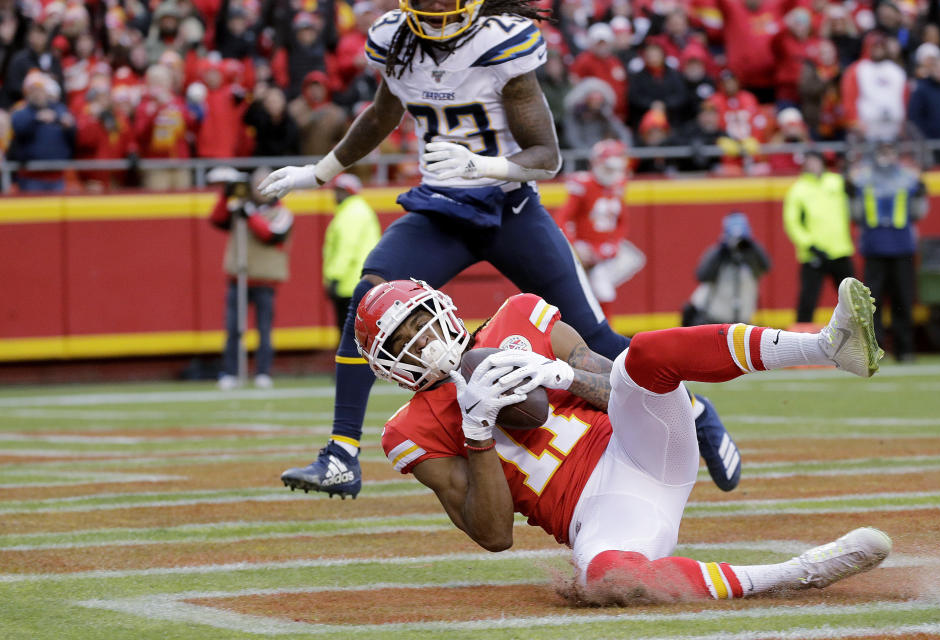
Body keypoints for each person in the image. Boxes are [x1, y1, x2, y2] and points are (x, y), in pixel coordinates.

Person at [260, 0, 739, 499]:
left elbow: (546, 157)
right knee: (369, 299)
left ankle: (693, 410)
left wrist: (481, 165)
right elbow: (383, 113)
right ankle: (341, 454)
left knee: (594, 336)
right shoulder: (394, 39)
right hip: (440, 213)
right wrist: (318, 172)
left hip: (509, 209)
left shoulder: (502, 41)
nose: (437, 7)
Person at [362, 277, 888, 604]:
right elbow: (495, 534)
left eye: (419, 324)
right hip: (604, 515)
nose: (422, 343)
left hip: (638, 446)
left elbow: (613, 381)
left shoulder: (517, 317)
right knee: (603, 577)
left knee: (646, 357)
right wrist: (476, 433)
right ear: (387, 365)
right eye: (402, 341)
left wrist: (556, 374)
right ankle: (797, 573)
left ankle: (827, 344)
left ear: (441, 308)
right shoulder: (407, 431)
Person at [209, 167, 294, 390]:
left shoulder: (282, 212)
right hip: (239, 277)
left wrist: (250, 215)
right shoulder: (240, 208)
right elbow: (217, 219)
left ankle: (263, 372)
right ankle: (231, 372)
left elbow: (271, 235)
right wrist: (227, 195)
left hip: (265, 280)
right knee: (234, 329)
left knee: (264, 330)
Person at [849, 142, 928, 362]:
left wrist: (921, 195)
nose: (886, 157)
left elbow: (918, 212)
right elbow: (855, 213)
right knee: (873, 303)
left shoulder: (907, 178)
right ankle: (876, 349)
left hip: (902, 246)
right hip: (874, 247)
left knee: (902, 299)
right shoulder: (863, 179)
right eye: (882, 153)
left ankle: (905, 349)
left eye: (890, 152)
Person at [556, 139, 645, 316]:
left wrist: (613, 244)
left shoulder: (618, 187)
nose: (613, 174)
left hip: (604, 248)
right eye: (608, 168)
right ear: (596, 164)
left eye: (616, 169)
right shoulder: (584, 185)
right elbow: (562, 219)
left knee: (633, 260)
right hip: (584, 246)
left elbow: (622, 222)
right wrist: (575, 247)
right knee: (599, 288)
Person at [783, 150, 856, 324]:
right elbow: (792, 223)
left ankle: (861, 341)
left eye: (815, 160)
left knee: (853, 302)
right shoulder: (798, 189)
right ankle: (800, 342)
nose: (812, 165)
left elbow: (855, 197)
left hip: (840, 250)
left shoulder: (836, 181)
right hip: (814, 254)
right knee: (807, 301)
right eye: (808, 161)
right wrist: (810, 245)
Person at [682, 212, 770, 326]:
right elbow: (701, 275)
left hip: (740, 322)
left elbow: (766, 266)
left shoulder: (751, 255)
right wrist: (722, 249)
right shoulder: (719, 254)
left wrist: (750, 244)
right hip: (711, 319)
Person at [323, 173, 381, 335]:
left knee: (349, 335)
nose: (335, 195)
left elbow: (346, 249)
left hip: (349, 284)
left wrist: (334, 278)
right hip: (357, 282)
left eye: (340, 191)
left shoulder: (351, 212)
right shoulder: (357, 210)